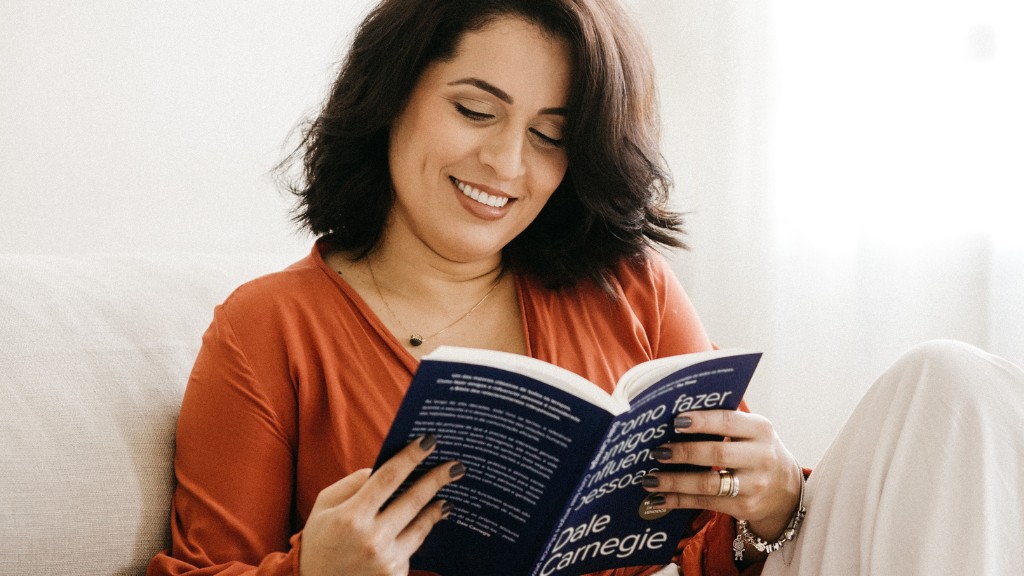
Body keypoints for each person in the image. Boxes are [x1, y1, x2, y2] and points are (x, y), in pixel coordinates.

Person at [148, 0, 1024, 574]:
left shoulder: (627, 287)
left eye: (550, 135)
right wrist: (312, 571)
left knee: (954, 383)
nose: (505, 164)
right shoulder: (269, 327)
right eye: (475, 110)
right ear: (392, 100)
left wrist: (771, 499)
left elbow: (720, 547)